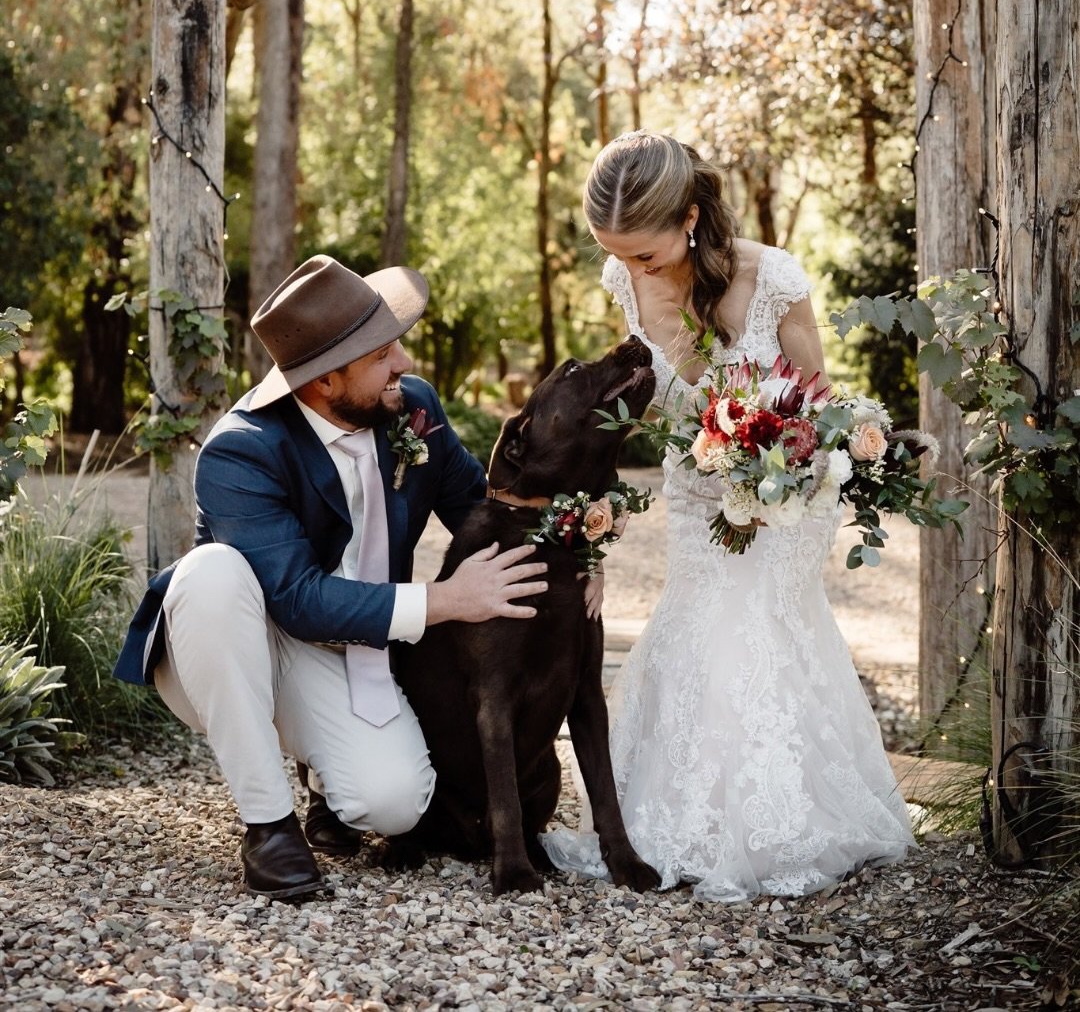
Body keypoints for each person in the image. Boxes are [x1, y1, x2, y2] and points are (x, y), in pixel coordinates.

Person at [541, 131, 914, 901]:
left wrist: (767, 468)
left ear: (687, 218)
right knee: (691, 627)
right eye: (618, 255)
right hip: (694, 490)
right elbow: (641, 407)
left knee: (749, 631)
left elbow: (817, 407)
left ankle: (778, 824)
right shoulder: (623, 275)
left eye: (643, 254)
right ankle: (673, 818)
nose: (631, 270)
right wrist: (597, 521)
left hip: (785, 494)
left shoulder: (772, 277)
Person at [114, 255, 545, 901]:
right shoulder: (242, 450)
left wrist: (570, 546)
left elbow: (477, 513)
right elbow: (295, 600)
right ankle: (269, 830)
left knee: (393, 804)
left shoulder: (409, 407)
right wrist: (444, 601)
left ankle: (323, 773)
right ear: (322, 382)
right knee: (211, 573)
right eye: (381, 354)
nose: (402, 361)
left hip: (353, 647)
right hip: (245, 643)